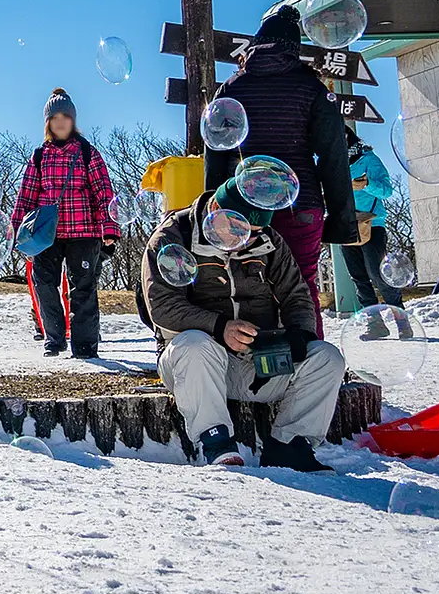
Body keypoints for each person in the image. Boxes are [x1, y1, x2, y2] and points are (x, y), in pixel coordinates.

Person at [141, 179, 344, 471]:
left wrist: (300, 333)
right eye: (238, 230)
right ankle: (216, 443)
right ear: (216, 211)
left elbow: (296, 295)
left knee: (326, 357)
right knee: (195, 346)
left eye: (254, 233)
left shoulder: (269, 242)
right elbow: (163, 305)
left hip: (257, 362)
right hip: (195, 366)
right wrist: (220, 326)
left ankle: (289, 446)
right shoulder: (174, 237)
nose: (247, 240)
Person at [203, 5, 357, 337]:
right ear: (294, 47)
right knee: (301, 286)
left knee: (246, 286)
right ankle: (311, 366)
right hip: (299, 204)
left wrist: (211, 211)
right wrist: (343, 222)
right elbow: (334, 159)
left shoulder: (231, 89)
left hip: (242, 205)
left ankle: (257, 371)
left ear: (256, 44)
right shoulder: (314, 89)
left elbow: (215, 154)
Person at [10, 89, 120, 357]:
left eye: (65, 116)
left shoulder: (86, 153)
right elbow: (27, 194)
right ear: (47, 122)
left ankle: (84, 346)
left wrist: (109, 227)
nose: (60, 122)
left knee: (82, 288)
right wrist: (14, 229)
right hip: (48, 234)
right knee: (44, 283)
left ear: (73, 120)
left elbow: (103, 192)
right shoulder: (39, 156)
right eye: (55, 117)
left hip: (84, 232)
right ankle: (54, 339)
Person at [343, 130, 400, 308]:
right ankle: (374, 323)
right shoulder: (334, 164)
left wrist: (366, 184)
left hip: (372, 224)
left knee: (378, 274)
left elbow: (387, 190)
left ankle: (400, 316)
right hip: (345, 225)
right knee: (358, 277)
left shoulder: (369, 159)